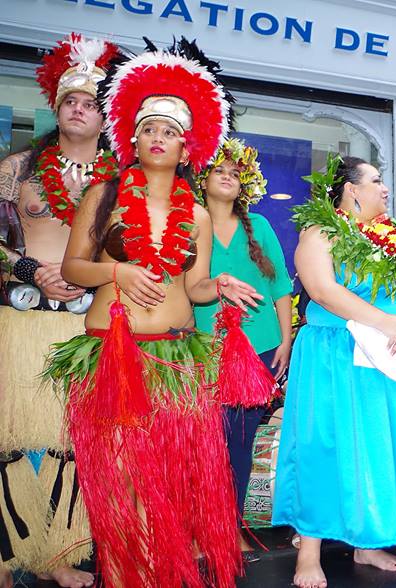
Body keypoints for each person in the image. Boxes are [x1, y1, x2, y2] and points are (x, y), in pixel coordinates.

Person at [46, 39, 263, 587]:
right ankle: (121, 577)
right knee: (119, 482)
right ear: (133, 137)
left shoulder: (197, 214)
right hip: (112, 354)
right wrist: (118, 272)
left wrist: (222, 284)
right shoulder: (105, 194)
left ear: (187, 147)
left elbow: (193, 286)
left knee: (167, 482)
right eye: (149, 128)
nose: (159, 138)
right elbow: (74, 267)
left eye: (170, 131)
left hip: (175, 356)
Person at [273, 155, 396, 587]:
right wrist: (384, 321)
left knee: (377, 448)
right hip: (336, 356)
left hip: (394, 352)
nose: (385, 188)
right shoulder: (320, 231)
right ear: (352, 190)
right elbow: (322, 290)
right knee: (326, 443)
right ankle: (309, 553)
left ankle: (367, 540)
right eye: (376, 181)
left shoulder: (393, 236)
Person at [0, 33, 119, 588]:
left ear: (105, 116)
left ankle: (62, 552)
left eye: (91, 102)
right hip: (24, 318)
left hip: (90, 321)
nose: (79, 108)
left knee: (75, 442)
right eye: (71, 99)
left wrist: (91, 275)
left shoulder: (122, 177)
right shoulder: (19, 168)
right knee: (13, 439)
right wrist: (30, 271)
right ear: (56, 107)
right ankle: (8, 553)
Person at [193, 138, 293, 559]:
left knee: (242, 444)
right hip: (208, 348)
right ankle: (202, 529)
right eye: (220, 170)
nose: (229, 177)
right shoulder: (189, 224)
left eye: (236, 173)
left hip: (261, 349)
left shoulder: (261, 227)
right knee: (207, 443)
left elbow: (282, 287)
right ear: (202, 178)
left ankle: (229, 529)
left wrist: (286, 339)